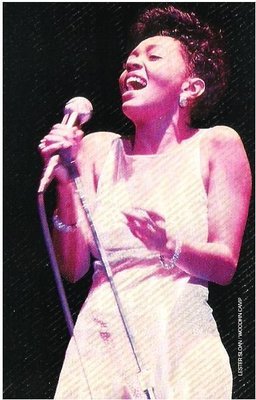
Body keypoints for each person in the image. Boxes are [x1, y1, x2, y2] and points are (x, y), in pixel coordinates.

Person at [38, 5, 251, 399]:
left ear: (191, 87)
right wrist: (66, 187)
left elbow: (224, 265)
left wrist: (170, 245)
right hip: (99, 337)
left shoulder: (217, 145)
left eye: (153, 57)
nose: (132, 67)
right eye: (129, 61)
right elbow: (73, 268)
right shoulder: (98, 150)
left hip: (179, 336)